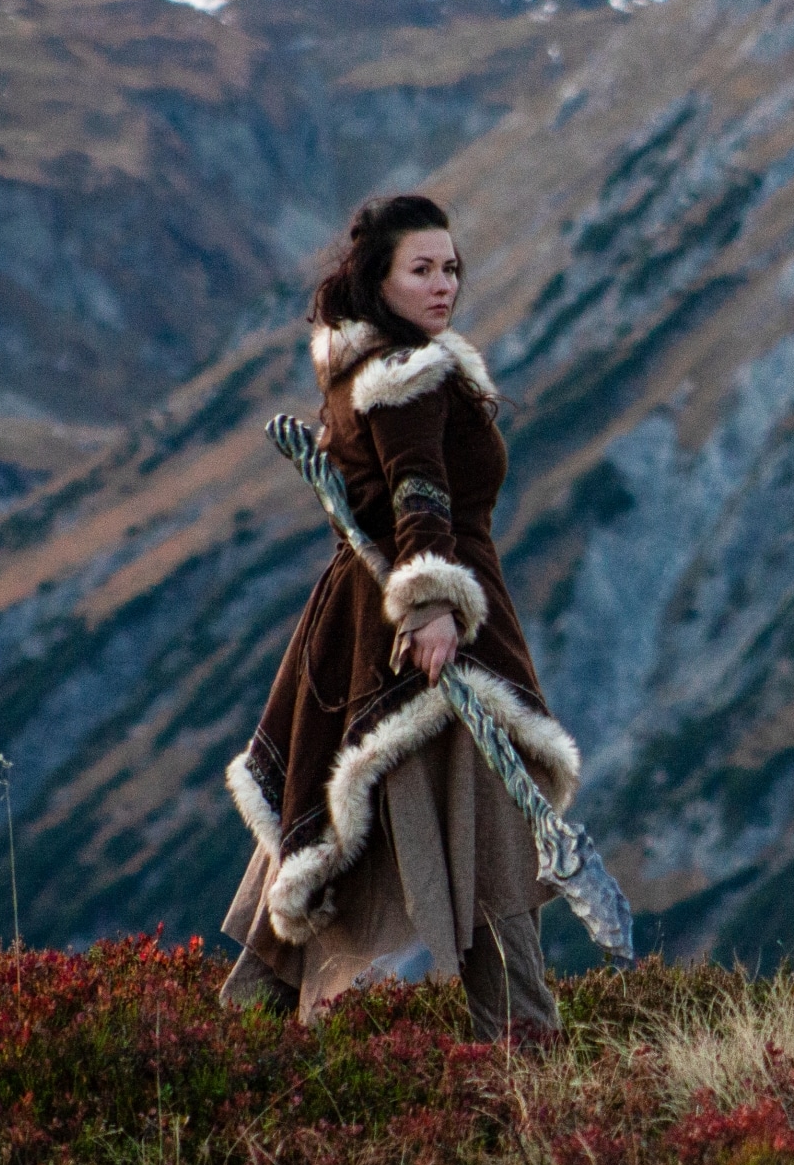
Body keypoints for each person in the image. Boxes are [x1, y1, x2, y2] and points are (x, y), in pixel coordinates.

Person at [217, 194, 579, 1038]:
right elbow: (421, 497)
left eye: (451, 267)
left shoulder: (360, 372)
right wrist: (432, 611)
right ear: (380, 280)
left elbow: (386, 497)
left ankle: (247, 1028)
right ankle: (525, 1035)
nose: (444, 283)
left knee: (338, 827)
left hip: (368, 625)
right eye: (422, 269)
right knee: (488, 836)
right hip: (425, 633)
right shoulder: (406, 378)